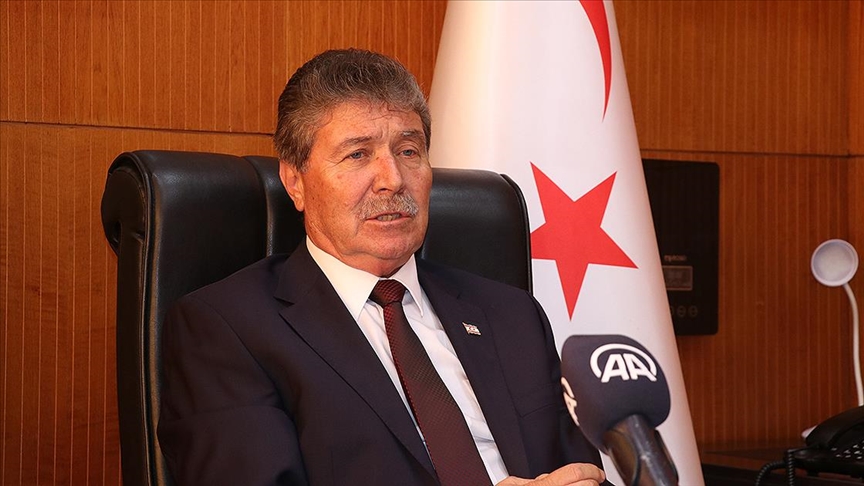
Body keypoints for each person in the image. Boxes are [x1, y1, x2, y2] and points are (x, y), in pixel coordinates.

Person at [157, 48, 607, 486]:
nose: (392, 179)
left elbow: (583, 473)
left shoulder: (512, 316)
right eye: (357, 154)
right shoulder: (228, 329)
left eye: (409, 151)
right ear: (295, 181)